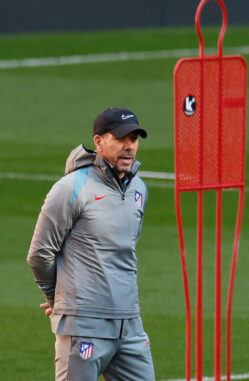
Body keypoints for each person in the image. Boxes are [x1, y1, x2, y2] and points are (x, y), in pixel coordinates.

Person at [27, 107, 155, 380]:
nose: (129, 147)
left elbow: (127, 251)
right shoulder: (71, 187)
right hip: (83, 326)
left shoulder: (139, 190)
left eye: (133, 139)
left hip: (130, 326)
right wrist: (55, 297)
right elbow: (39, 254)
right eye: (120, 139)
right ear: (98, 141)